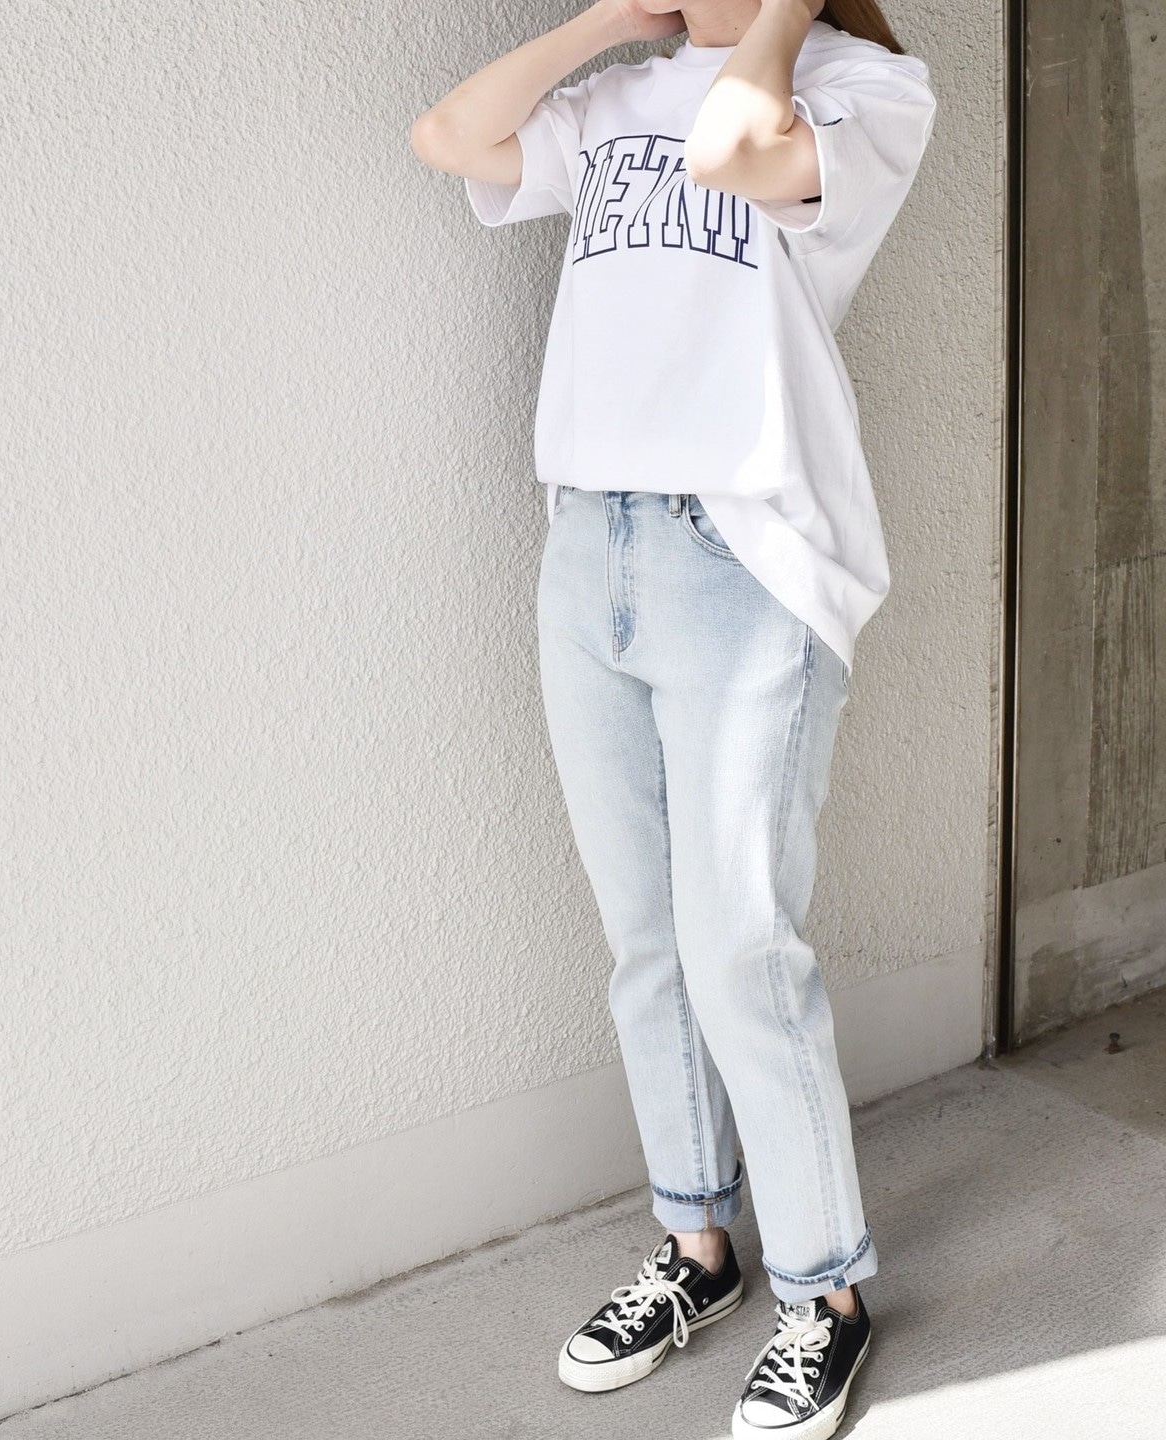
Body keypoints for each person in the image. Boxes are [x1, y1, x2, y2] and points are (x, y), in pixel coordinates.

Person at [410, 2, 936, 1434]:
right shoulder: (619, 92)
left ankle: (826, 1297)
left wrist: (777, 15)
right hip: (592, 544)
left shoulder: (865, 90)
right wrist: (606, 22)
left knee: (740, 952)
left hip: (744, 560)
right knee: (646, 941)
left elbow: (733, 148)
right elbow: (449, 136)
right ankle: (698, 1247)